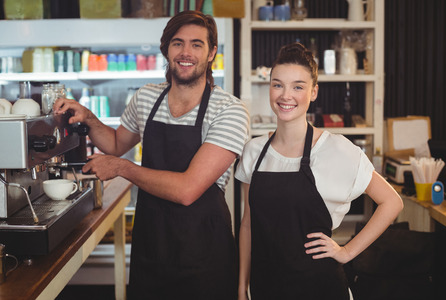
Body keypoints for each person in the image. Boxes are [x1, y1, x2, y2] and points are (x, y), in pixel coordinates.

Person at [54, 10, 249, 299]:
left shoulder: (229, 110)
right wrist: (90, 119)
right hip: (151, 246)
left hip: (204, 253)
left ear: (211, 54)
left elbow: (187, 189)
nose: (186, 52)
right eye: (177, 43)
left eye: (197, 44)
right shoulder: (146, 97)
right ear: (166, 50)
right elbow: (117, 142)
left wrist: (123, 168)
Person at [235, 42, 403, 300]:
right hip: (265, 287)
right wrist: (241, 286)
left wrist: (346, 252)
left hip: (320, 288)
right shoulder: (253, 151)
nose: (285, 95)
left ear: (314, 92)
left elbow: (392, 202)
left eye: (298, 87)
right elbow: (248, 224)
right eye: (277, 84)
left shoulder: (336, 150)